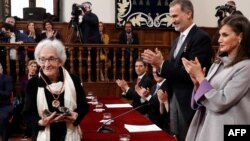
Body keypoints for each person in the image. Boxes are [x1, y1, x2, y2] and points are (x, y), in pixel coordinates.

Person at [141, 0, 213, 141]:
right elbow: (172, 71)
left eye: (175, 16)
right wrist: (158, 67)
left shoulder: (200, 37)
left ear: (188, 14)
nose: (172, 21)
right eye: (171, 16)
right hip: (174, 98)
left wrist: (162, 63)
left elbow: (191, 74)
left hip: (189, 101)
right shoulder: (177, 41)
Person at [182, 15, 250, 141]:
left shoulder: (246, 67)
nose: (219, 40)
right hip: (208, 125)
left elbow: (222, 101)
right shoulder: (218, 63)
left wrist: (201, 77)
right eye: (219, 35)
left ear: (240, 37)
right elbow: (207, 95)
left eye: (225, 35)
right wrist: (197, 85)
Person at [22, 39, 89, 141]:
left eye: (51, 59)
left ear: (60, 61)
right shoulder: (33, 83)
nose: (46, 64)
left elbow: (84, 106)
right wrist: (40, 122)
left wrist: (77, 115)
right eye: (42, 59)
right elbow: (27, 114)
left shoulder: (73, 79)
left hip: (70, 133)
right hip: (43, 134)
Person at [79, 1, 101, 81]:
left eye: (86, 6)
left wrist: (84, 15)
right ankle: (86, 77)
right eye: (83, 6)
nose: (84, 8)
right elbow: (78, 28)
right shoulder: (83, 18)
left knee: (93, 62)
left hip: (94, 43)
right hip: (85, 43)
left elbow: (94, 22)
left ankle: (93, 78)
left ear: (90, 8)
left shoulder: (93, 16)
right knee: (86, 62)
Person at [19, 60, 38, 138]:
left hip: (36, 99)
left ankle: (34, 132)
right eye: (32, 66)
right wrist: (29, 80)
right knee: (24, 110)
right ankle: (26, 131)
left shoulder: (38, 77)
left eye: (35, 66)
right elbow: (23, 90)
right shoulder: (23, 78)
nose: (33, 68)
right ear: (28, 67)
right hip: (26, 99)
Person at [0, 63, 14, 141]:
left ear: (1, 69)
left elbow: (8, 93)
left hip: (4, 105)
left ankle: (5, 139)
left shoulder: (7, 79)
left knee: (3, 118)